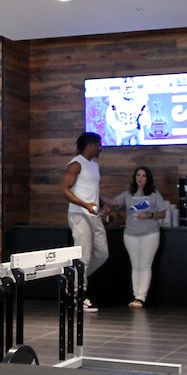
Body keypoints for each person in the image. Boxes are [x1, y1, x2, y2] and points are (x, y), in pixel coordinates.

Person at [61, 132, 117, 311]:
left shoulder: (94, 166)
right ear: (91, 145)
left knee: (102, 254)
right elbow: (64, 189)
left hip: (94, 215)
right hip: (79, 215)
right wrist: (85, 204)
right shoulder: (76, 164)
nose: (101, 148)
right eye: (99, 145)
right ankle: (79, 295)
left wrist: (103, 205)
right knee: (83, 257)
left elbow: (91, 191)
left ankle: (73, 280)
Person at [114, 167, 169, 308]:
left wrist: (149, 215)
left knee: (145, 265)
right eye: (138, 175)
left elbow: (162, 213)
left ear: (148, 178)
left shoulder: (154, 194)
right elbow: (114, 203)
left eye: (143, 176)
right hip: (130, 234)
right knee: (135, 265)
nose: (140, 178)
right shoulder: (128, 194)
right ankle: (135, 295)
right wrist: (97, 196)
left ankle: (141, 297)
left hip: (150, 233)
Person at [105, 77, 150, 146]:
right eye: (126, 87)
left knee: (142, 150)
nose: (128, 89)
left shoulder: (141, 96)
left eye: (130, 87)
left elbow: (145, 112)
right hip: (122, 131)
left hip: (136, 130)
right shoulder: (115, 97)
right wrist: (115, 125)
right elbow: (110, 114)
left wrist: (144, 120)